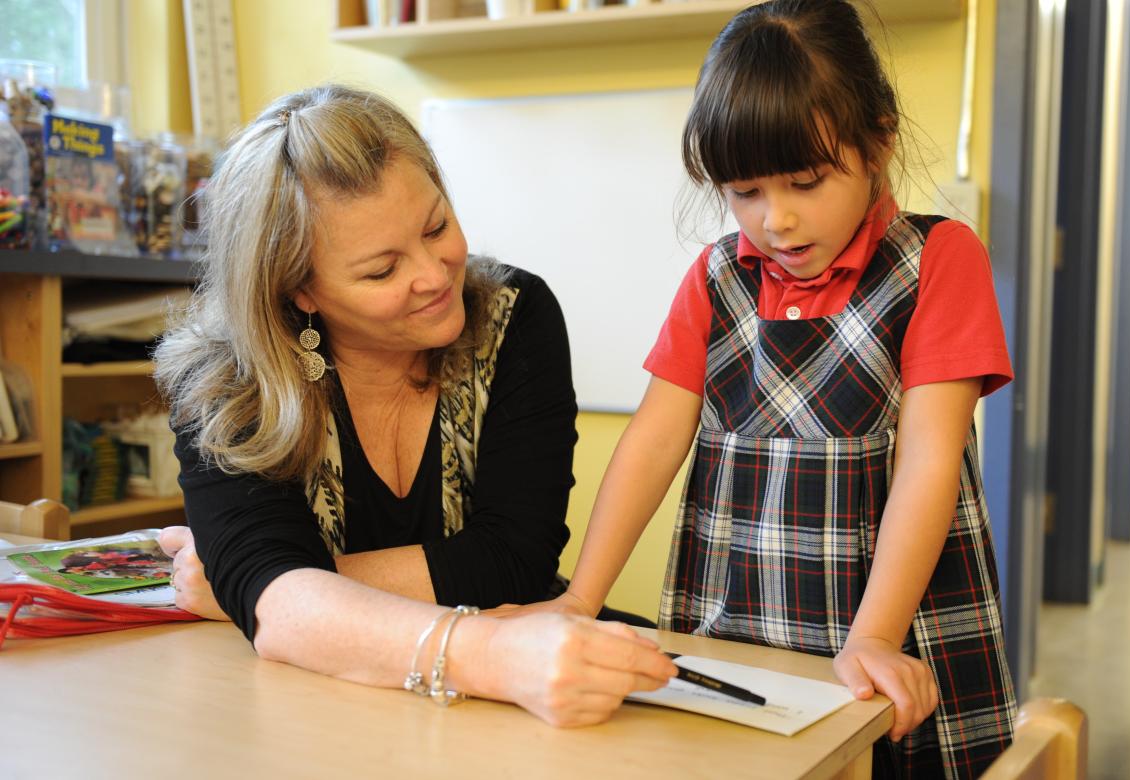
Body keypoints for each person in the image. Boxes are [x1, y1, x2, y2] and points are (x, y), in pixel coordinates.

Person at [513, 0, 1017, 774]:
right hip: (734, 628)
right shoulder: (715, 278)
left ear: (878, 140)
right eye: (744, 191)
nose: (775, 219)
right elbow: (653, 441)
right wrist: (580, 598)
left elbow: (930, 462)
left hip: (886, 633)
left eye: (806, 181)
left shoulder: (939, 262)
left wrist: (875, 636)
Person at [152, 84, 676, 728]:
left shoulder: (516, 315)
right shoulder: (223, 378)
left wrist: (285, 589)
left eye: (437, 226)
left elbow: (512, 560)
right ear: (301, 292)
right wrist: (271, 591)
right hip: (318, 718)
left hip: (513, 689)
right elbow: (275, 606)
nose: (435, 275)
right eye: (381, 270)